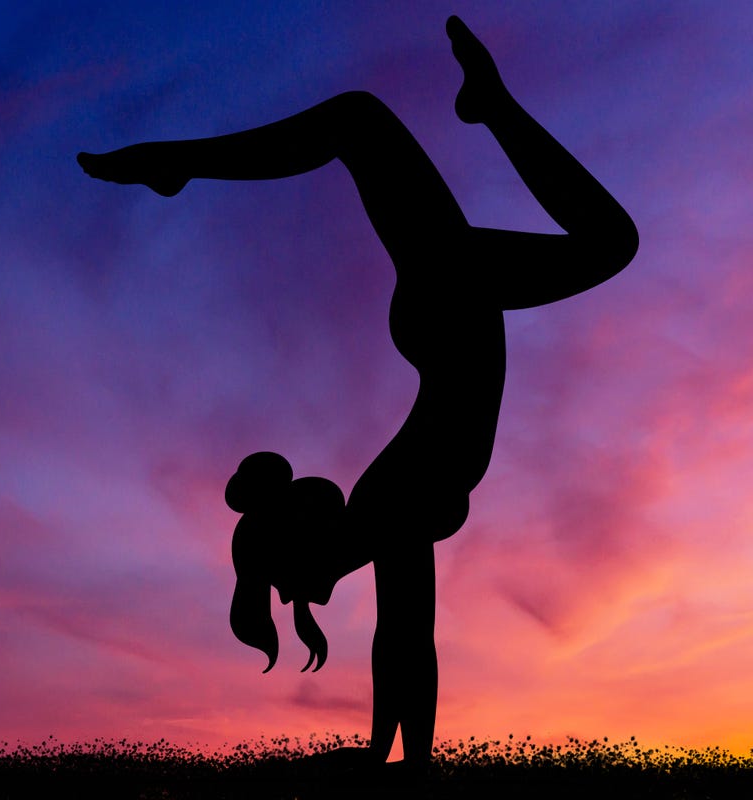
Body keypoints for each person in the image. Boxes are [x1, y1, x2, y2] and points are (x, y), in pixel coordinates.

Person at [78, 16, 638, 768]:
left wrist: (391, 763)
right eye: (292, 579)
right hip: (453, 293)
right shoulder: (386, 509)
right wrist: (395, 764)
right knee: (368, 127)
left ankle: (179, 161)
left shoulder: (383, 502)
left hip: (449, 295)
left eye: (293, 576)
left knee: (359, 122)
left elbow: (402, 635)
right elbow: (406, 634)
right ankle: (489, 107)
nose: (305, 587)